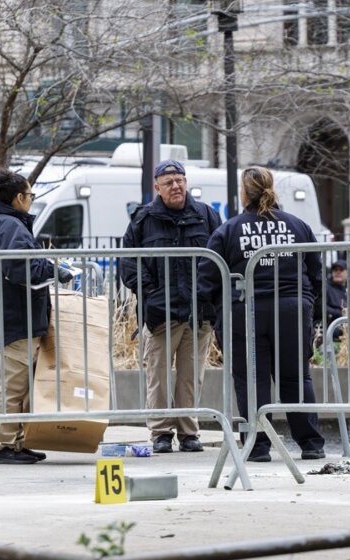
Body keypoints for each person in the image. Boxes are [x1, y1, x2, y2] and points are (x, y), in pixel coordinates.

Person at [202, 166, 326, 463]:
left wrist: (219, 313)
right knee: (296, 377)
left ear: (243, 193)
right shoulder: (297, 226)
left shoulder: (230, 229)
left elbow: (207, 277)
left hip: (246, 311)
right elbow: (316, 272)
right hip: (292, 309)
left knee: (251, 380)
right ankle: (311, 443)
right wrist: (311, 306)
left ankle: (257, 446)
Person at [119, 159, 223, 454]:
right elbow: (128, 262)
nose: (176, 186)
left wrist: (208, 292)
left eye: (180, 180)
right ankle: (161, 433)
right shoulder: (143, 219)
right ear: (157, 187)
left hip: (198, 312)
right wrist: (151, 293)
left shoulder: (206, 216)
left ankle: (189, 433)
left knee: (191, 377)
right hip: (160, 314)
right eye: (169, 182)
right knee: (159, 376)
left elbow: (219, 258)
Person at [0, 169, 73, 465]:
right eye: (30, 195)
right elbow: (21, 268)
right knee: (13, 386)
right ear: (19, 198)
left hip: (10, 314)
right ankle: (4, 445)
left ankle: (15, 442)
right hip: (17, 316)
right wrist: (53, 270)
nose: (31, 200)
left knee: (16, 384)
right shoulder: (11, 227)